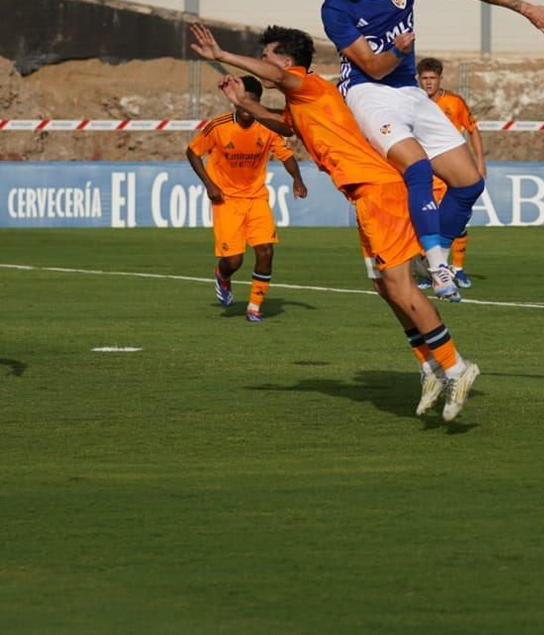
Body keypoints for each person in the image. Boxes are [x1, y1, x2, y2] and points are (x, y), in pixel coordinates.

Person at [190, 22, 481, 421]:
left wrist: (222, 55)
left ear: (288, 62)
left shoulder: (306, 84)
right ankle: (429, 365)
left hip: (381, 192)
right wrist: (246, 104)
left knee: (399, 284)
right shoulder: (304, 101)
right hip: (366, 196)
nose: (263, 65)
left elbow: (275, 78)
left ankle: (455, 366)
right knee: (384, 287)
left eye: (266, 57)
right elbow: (285, 125)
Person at [317, 0, 544, 302]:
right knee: (417, 169)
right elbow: (373, 67)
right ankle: (437, 268)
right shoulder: (334, 8)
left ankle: (428, 256)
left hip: (408, 92)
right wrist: (400, 50)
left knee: (469, 183)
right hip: (368, 92)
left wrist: (524, 8)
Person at [185, 75, 308, 323]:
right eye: (244, 101)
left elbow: (286, 155)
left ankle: (254, 306)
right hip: (227, 200)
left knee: (265, 251)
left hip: (256, 198)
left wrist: (297, 179)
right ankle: (222, 275)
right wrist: (210, 185)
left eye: (252, 101)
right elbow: (193, 152)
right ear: (235, 102)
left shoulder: (266, 126)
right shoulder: (218, 126)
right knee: (234, 260)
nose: (247, 107)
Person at [416, 57, 484, 290]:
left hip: (453, 171)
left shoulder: (454, 102)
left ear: (440, 79)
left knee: (457, 222)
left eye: (432, 78)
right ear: (418, 79)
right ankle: (430, 271)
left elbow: (473, 130)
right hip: (428, 172)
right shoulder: (414, 103)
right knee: (426, 222)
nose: (428, 83)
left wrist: (480, 163)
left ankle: (458, 268)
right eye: (424, 78)